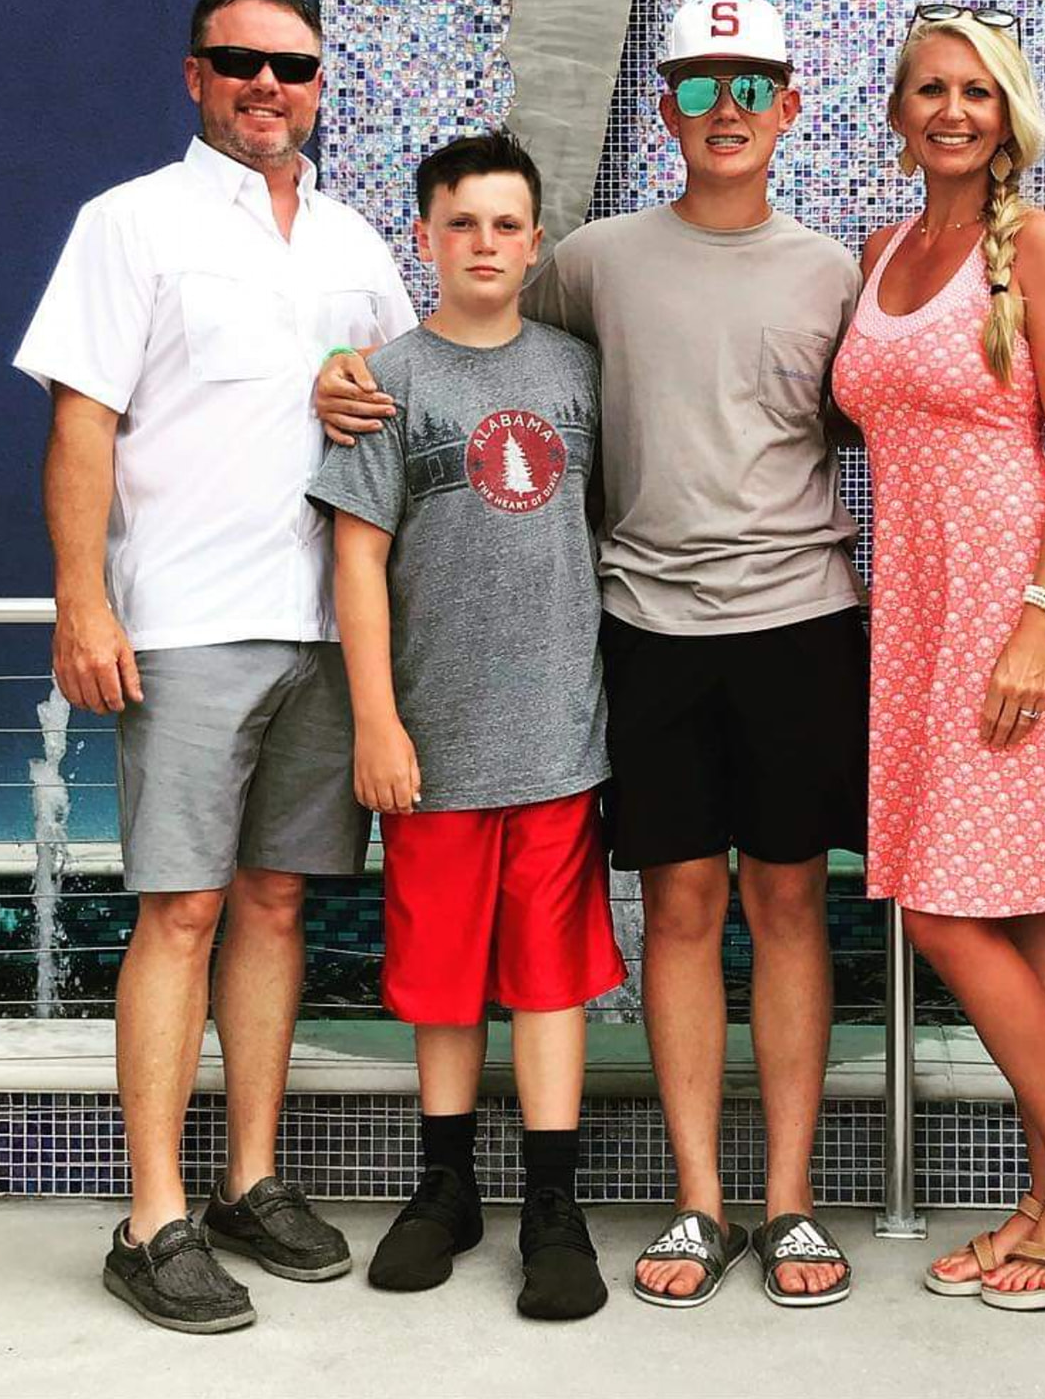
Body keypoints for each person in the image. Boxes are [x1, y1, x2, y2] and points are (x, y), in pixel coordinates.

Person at [318, 0, 868, 1310]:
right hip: (650, 633)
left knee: (790, 901)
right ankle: (698, 1201)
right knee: (677, 906)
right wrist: (341, 366)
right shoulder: (595, 263)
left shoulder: (836, 275)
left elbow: (895, 411)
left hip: (798, 622)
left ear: (789, 107)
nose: (725, 107)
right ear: (665, 107)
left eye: (750, 84)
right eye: (699, 85)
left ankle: (790, 1201)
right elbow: (470, 344)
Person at [14, 0, 416, 1334]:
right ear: (194, 74)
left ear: (318, 86)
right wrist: (83, 599)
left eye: (291, 67)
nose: (266, 85)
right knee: (180, 910)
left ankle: (248, 1179)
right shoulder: (131, 223)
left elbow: (400, 404)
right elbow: (83, 423)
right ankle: (152, 1217)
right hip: (184, 619)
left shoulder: (355, 243)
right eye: (238, 61)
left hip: (324, 623)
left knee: (276, 902)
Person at [831, 2, 1045, 1312]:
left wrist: (1038, 620)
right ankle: (1043, 1200)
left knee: (942, 904)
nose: (953, 110)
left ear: (1005, 111)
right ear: (898, 113)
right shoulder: (882, 249)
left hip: (1017, 608)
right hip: (918, 610)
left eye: (976, 90)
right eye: (930, 90)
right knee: (1014, 916)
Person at [307, 129, 623, 1321]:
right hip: (433, 740)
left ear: (534, 241)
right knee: (442, 979)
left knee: (548, 980)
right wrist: (376, 721)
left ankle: (552, 1200)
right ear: (425, 237)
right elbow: (357, 558)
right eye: (461, 223)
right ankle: (446, 1183)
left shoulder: (578, 372)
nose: (484, 243)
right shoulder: (387, 380)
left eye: (504, 224)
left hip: (556, 735)